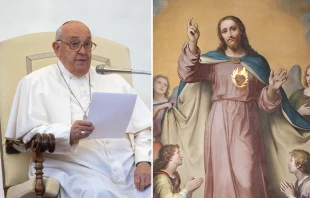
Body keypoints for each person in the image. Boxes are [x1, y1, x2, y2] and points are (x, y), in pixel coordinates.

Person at [5, 20, 151, 198]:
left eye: (87, 44)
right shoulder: (34, 83)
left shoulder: (114, 80)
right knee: (101, 194)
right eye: (74, 44)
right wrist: (69, 133)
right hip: (74, 170)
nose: (83, 51)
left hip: (130, 171)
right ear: (57, 48)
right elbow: (26, 136)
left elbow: (144, 127)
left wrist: (144, 161)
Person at [161, 15, 293, 198]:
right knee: (222, 177)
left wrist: (272, 88)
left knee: (247, 175)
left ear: (241, 31)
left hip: (246, 121)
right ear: (221, 36)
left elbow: (266, 104)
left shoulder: (258, 63)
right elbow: (188, 74)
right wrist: (192, 43)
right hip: (219, 121)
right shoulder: (215, 62)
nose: (229, 34)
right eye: (224, 31)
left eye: (233, 29)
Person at [153, 74, 174, 142]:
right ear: (153, 85)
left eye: (165, 85)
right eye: (159, 82)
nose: (162, 86)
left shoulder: (172, 101)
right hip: (156, 140)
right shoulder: (149, 104)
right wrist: (159, 108)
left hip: (169, 138)